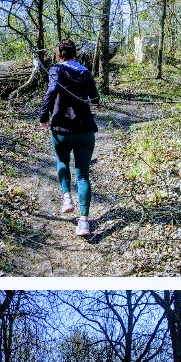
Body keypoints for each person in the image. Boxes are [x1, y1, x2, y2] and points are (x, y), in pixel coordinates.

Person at [38, 38, 101, 239]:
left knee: (62, 161)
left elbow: (52, 90)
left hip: (61, 129)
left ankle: (67, 198)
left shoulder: (56, 69)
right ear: (75, 53)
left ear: (59, 54)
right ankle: (84, 222)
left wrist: (43, 115)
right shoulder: (85, 71)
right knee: (83, 175)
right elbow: (95, 97)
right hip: (85, 130)